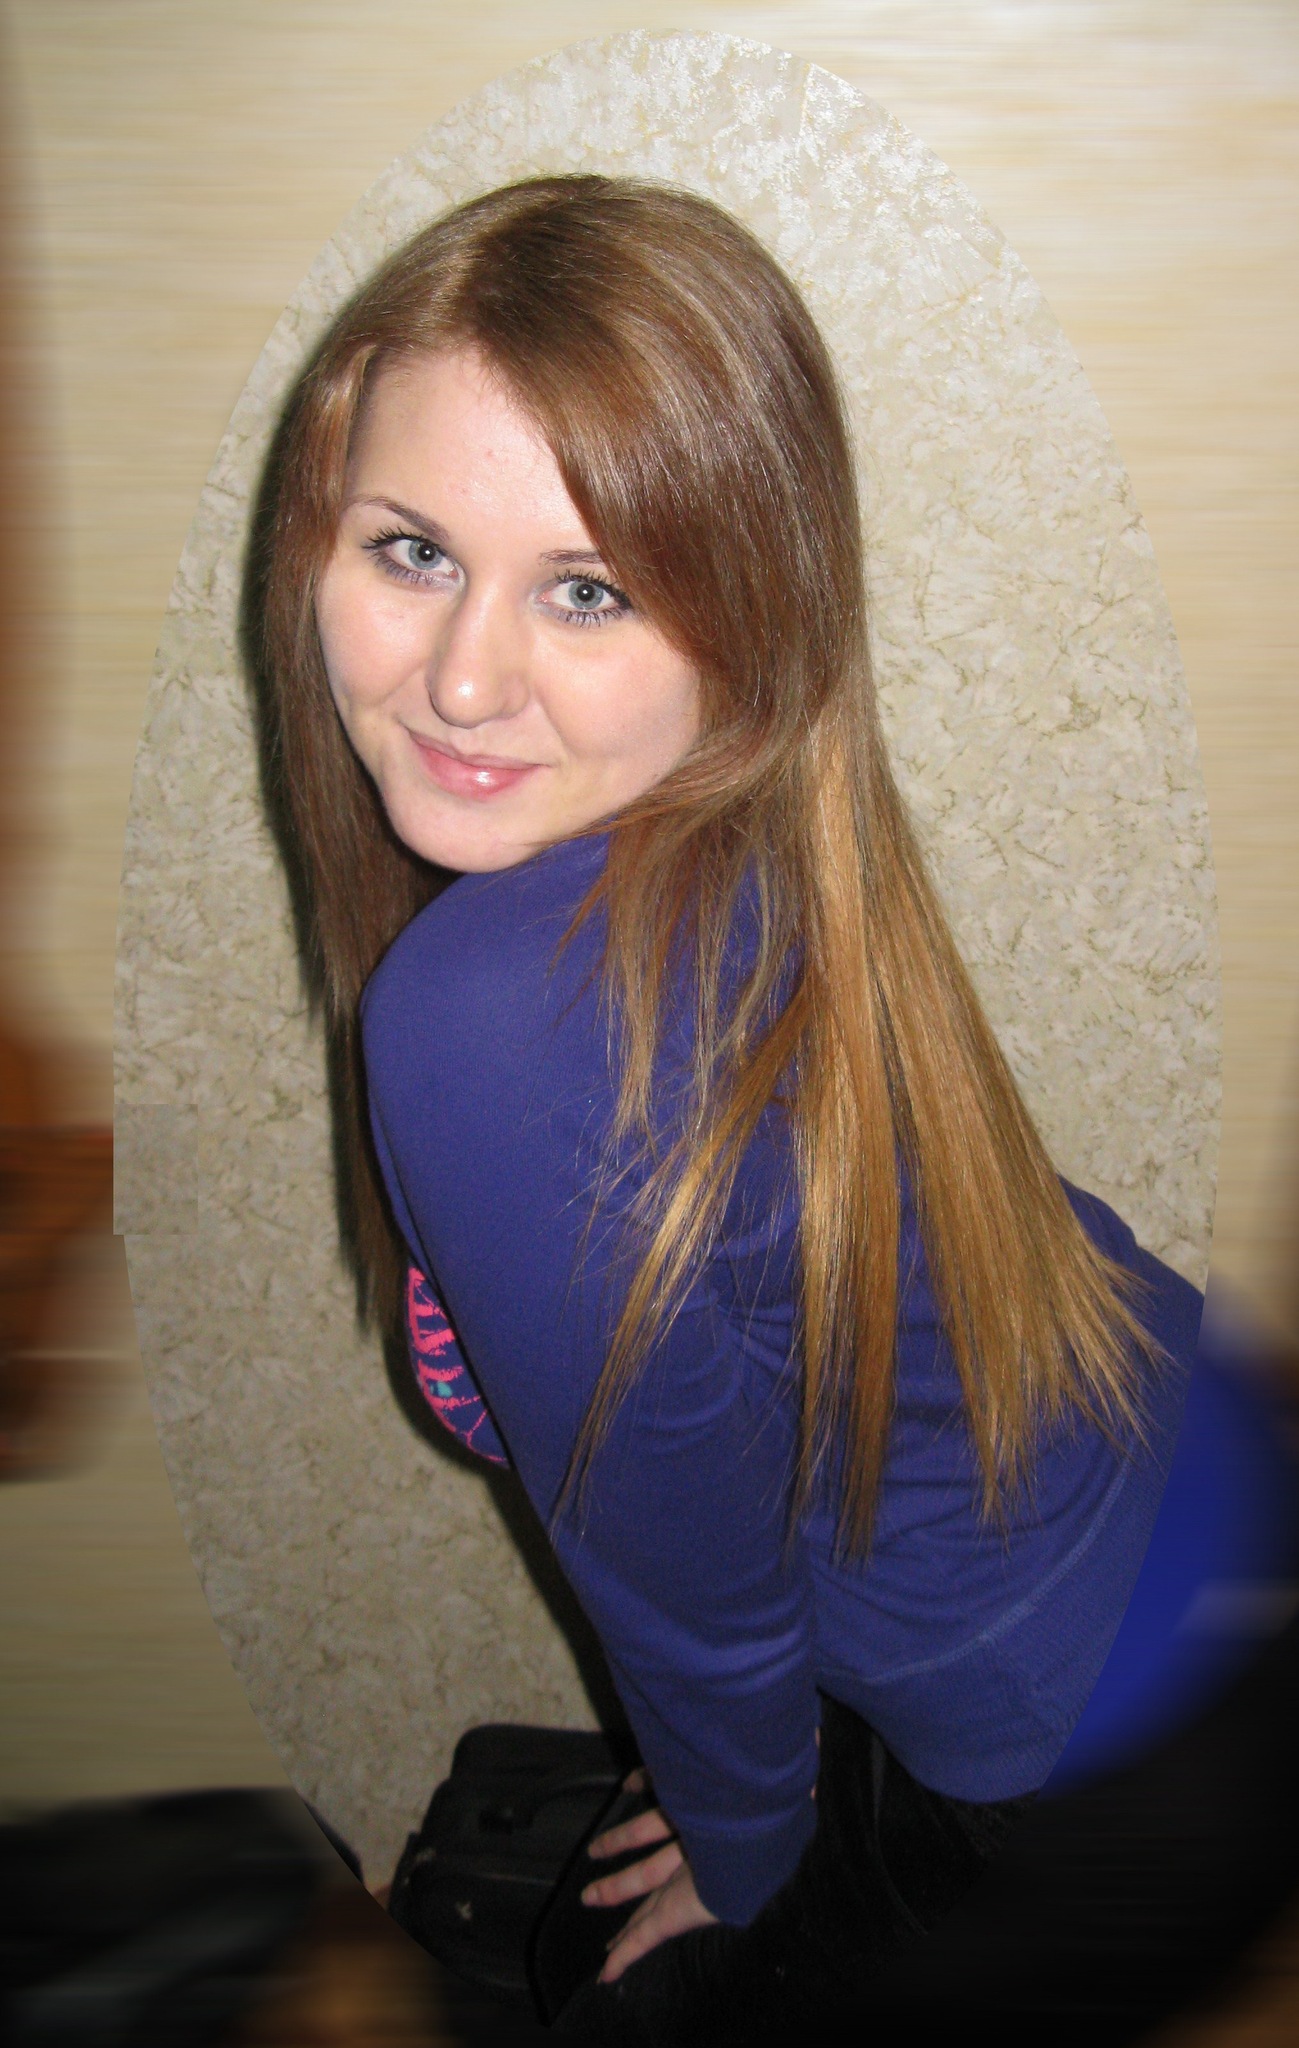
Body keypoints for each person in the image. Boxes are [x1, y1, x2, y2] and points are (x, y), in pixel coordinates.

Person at [252, 176, 1297, 2041]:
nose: (464, 677)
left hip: (1109, 1720)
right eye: (410, 551)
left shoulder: (485, 1016)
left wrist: (746, 1846)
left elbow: (693, 1590)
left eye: (586, 589)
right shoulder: (729, 825)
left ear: (751, 623)